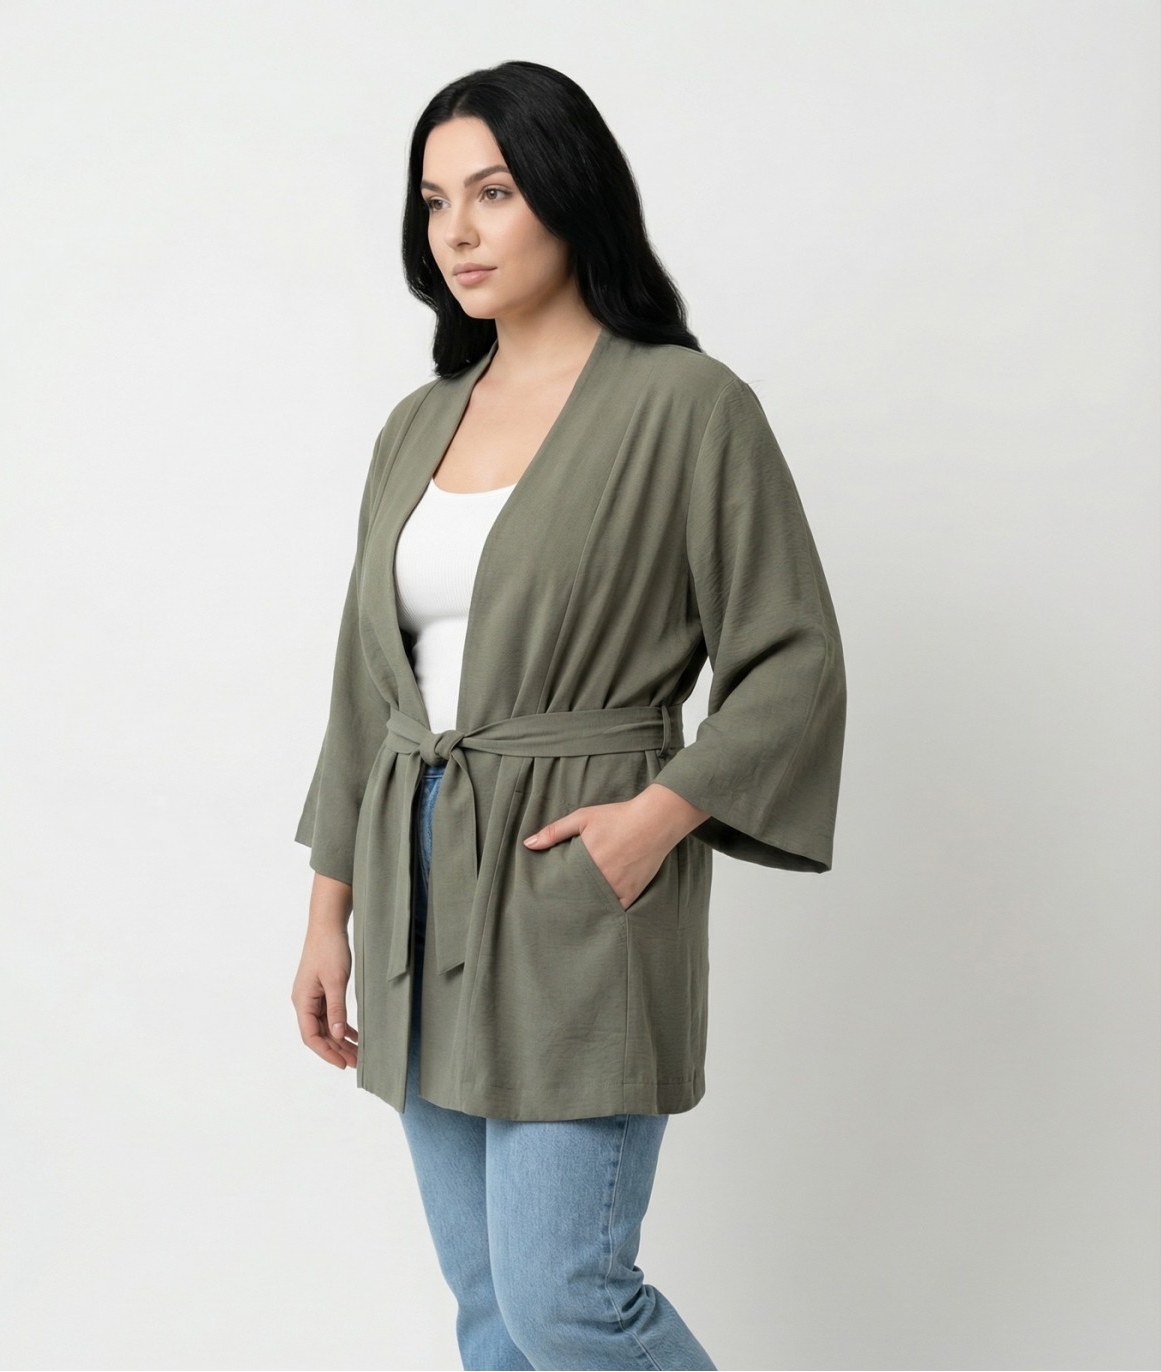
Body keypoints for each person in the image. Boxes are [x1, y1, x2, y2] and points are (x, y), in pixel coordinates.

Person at [290, 59, 846, 1372]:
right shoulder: (416, 425)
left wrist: (658, 819)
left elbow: (793, 660)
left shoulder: (685, 409)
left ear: (569, 191)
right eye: (436, 202)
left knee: (567, 1302)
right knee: (491, 1306)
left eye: (494, 191)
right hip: (416, 879)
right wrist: (328, 911)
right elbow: (366, 686)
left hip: (570, 873)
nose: (460, 232)